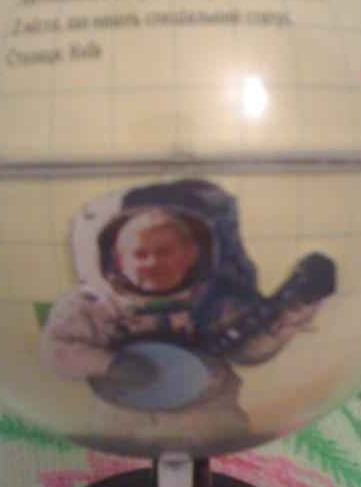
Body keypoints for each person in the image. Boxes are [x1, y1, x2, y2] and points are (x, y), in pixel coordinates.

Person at [39, 180, 336, 421]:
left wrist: (297, 302)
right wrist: (110, 364)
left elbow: (250, 349)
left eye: (165, 252)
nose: (153, 263)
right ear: (117, 258)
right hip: (124, 418)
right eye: (140, 254)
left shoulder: (214, 301)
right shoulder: (92, 307)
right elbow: (57, 351)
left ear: (190, 255)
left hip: (208, 415)